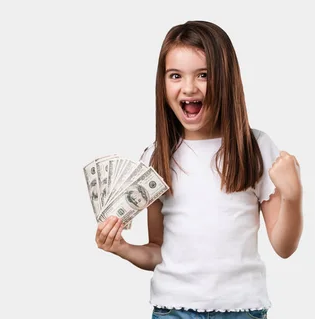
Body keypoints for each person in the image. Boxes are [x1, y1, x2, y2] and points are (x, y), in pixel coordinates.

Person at [94, 20, 303, 319]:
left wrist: (293, 196)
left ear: (226, 79)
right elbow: (157, 251)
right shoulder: (156, 157)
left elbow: (284, 247)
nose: (189, 87)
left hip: (242, 310)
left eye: (203, 75)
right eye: (175, 75)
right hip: (172, 311)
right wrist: (121, 247)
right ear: (163, 83)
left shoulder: (255, 147)